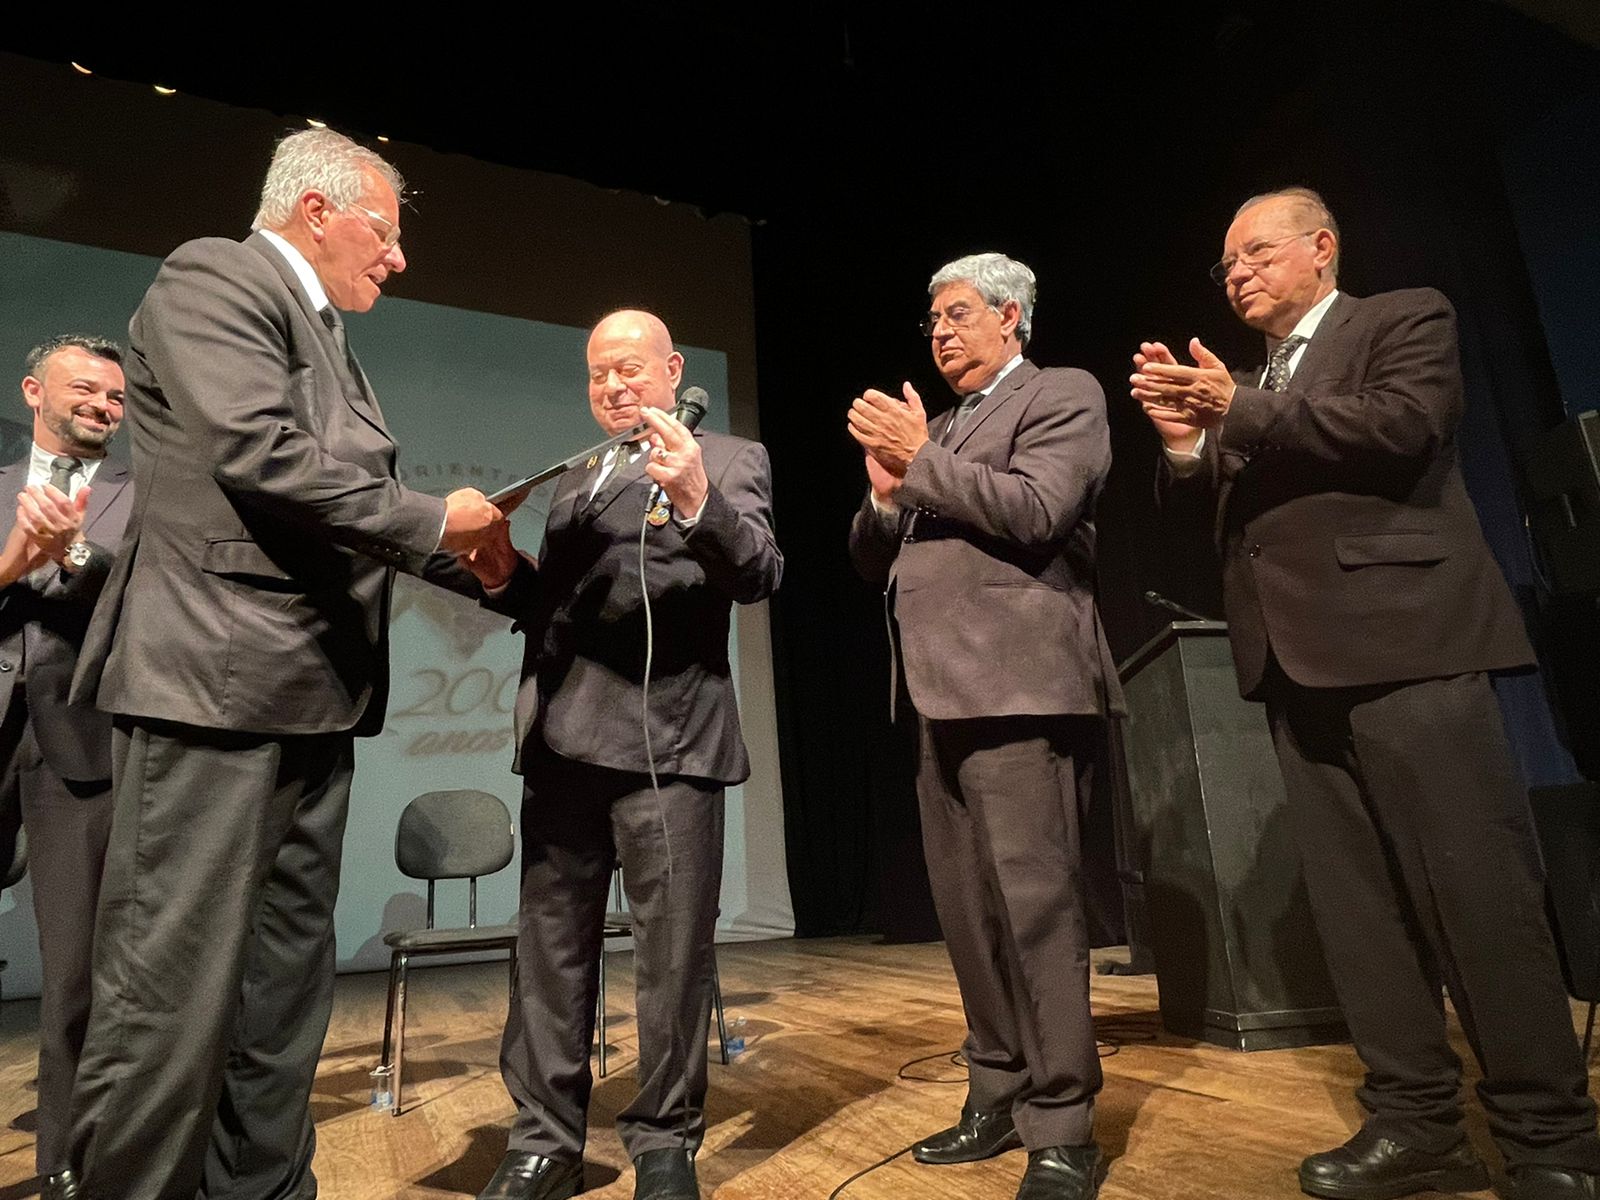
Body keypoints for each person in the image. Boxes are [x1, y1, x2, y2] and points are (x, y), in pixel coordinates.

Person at [1132, 185, 1600, 1200]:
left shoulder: (1401, 318)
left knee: (1477, 899)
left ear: (1322, 248)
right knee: (1361, 915)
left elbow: (1403, 426)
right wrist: (1185, 442)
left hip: (1409, 648)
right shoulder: (1247, 385)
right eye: (1226, 263)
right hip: (1294, 665)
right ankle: (1417, 1123)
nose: (1237, 273)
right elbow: (1225, 508)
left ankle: (1550, 1139)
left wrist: (1236, 410)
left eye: (1256, 253)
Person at [62, 129, 503, 1200]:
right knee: (168, 996)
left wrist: (508, 573)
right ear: (316, 210)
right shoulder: (216, 275)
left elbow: (347, 513)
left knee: (282, 997)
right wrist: (433, 521)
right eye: (383, 232)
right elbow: (260, 453)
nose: (397, 258)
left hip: (310, 697)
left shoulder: (324, 331)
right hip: (212, 690)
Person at [463, 309, 781, 1200]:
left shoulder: (730, 458)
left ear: (673, 370)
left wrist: (697, 499)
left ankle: (665, 1142)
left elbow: (760, 573)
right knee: (550, 954)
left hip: (670, 747)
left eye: (631, 368)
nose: (613, 385)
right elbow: (554, 609)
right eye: (598, 373)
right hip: (563, 743)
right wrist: (500, 573)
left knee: (672, 958)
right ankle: (544, 1142)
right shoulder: (577, 478)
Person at [847, 252, 1123, 1200]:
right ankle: (997, 1092)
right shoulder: (941, 427)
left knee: (1037, 913)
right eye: (932, 320)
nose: (940, 332)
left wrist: (920, 462)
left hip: (1021, 689)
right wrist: (884, 494)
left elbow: (1040, 510)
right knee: (967, 915)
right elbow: (873, 557)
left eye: (958, 314)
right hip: (937, 693)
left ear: (1012, 316)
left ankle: (1064, 1125)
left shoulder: (1061, 394)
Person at [0, 335, 132, 1200]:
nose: (102, 406)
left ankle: (64, 1163)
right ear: (33, 390)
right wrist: (20, 555)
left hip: (77, 750)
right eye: (86, 388)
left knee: (76, 974)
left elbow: (139, 602)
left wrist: (73, 552)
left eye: (116, 398)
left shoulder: (139, 498)